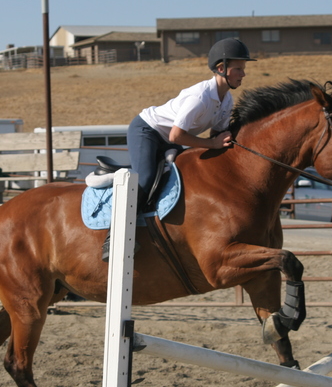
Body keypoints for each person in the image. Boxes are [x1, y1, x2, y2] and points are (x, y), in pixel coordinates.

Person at [101, 37, 256, 261]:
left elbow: (216, 137)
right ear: (221, 69)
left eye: (243, 69)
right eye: (238, 69)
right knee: (145, 178)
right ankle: (113, 237)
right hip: (147, 130)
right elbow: (177, 135)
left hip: (170, 138)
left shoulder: (227, 100)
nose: (243, 74)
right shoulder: (200, 97)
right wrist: (212, 144)